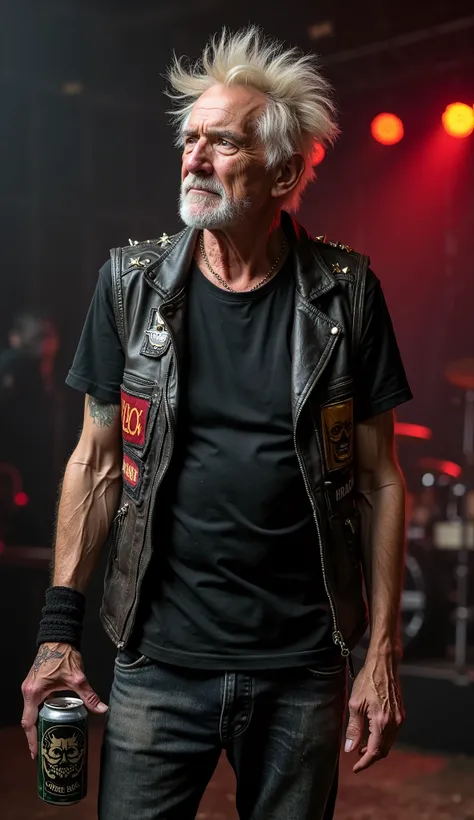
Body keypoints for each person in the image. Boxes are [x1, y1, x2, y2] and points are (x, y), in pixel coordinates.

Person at [21, 27, 412, 820]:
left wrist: (381, 650)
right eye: (190, 138)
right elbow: (95, 464)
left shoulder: (347, 294)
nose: (194, 157)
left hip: (301, 669)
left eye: (222, 142)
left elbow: (378, 479)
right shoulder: (129, 288)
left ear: (284, 171)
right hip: (158, 665)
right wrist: (59, 632)